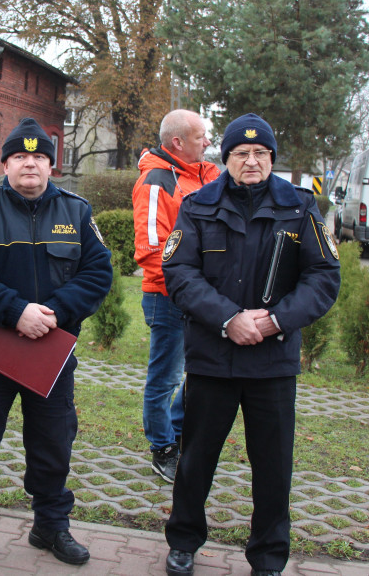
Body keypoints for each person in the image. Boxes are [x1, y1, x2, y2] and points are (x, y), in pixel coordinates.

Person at [161, 114, 340, 576]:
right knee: (196, 459)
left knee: (274, 467)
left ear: (272, 159)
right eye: (242, 153)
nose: (252, 161)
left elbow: (323, 278)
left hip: (272, 361)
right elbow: (179, 273)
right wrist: (228, 318)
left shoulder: (299, 208)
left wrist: (276, 321)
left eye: (261, 154)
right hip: (212, 358)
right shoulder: (198, 205)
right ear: (227, 159)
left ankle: (268, 557)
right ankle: (183, 541)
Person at [0, 117, 113, 574]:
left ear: (51, 166)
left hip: (51, 354)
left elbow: (98, 273)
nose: (29, 164)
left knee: (54, 443)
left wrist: (52, 312)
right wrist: (16, 311)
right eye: (20, 156)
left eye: (38, 157)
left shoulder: (77, 212)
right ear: (6, 164)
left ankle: (51, 525)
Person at [132, 109, 219, 482]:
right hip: (169, 297)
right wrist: (185, 291)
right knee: (165, 377)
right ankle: (162, 447)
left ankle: (177, 431)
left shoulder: (204, 176)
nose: (208, 143)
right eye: (201, 137)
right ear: (178, 143)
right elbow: (152, 250)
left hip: (201, 296)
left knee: (200, 371)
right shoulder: (155, 182)